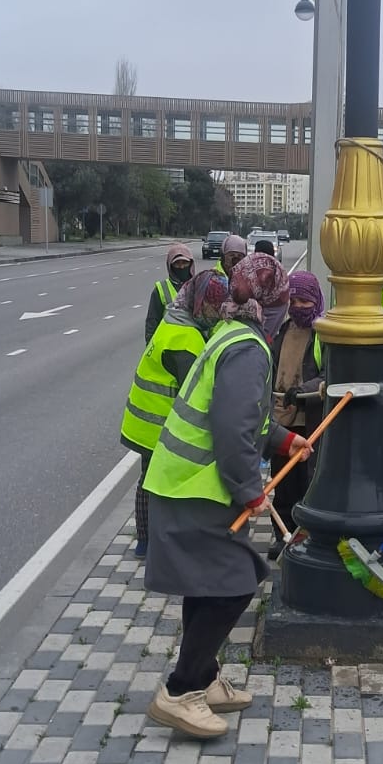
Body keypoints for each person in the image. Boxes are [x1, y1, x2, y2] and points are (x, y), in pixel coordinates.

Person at [143, 254, 306, 737]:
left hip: (184, 484)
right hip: (194, 487)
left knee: (207, 584)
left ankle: (204, 679)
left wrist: (283, 440)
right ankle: (180, 691)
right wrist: (251, 491)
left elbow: (247, 418)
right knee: (235, 583)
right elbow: (233, 430)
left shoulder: (230, 333)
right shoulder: (250, 349)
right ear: (273, 306)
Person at [267, 274, 383, 554]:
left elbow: (330, 375)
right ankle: (282, 535)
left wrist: (303, 391)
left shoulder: (323, 334)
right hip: (282, 420)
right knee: (283, 484)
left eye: (304, 301)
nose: (298, 307)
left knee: (307, 481)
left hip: (311, 421)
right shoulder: (283, 331)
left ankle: (306, 537)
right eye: (293, 301)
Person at [122, 269, 228, 557]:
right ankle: (150, 543)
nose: (216, 314)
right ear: (198, 302)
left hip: (145, 418)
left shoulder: (174, 320)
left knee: (148, 479)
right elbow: (195, 393)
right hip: (156, 423)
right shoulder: (186, 339)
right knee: (155, 483)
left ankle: (147, 542)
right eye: (212, 307)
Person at [145, 243, 195, 342]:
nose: (181, 267)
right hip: (168, 344)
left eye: (185, 263)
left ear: (191, 264)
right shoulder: (161, 289)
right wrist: (150, 344)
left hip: (194, 343)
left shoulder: (199, 286)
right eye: (177, 263)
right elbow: (152, 321)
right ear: (170, 266)